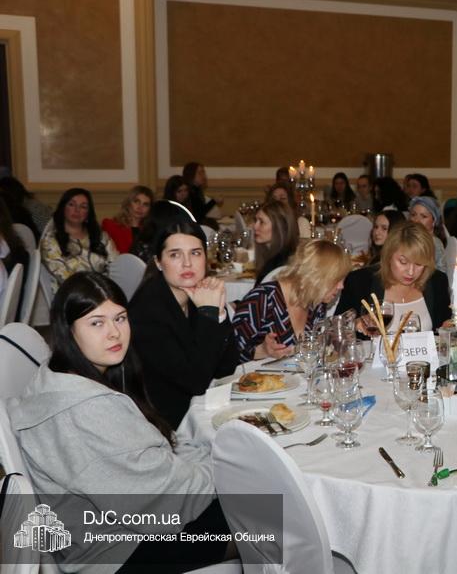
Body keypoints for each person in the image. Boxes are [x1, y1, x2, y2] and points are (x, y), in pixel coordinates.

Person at [9, 272, 233, 572]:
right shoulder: (85, 410)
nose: (114, 333)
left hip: (116, 530)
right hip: (119, 551)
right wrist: (225, 469)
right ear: (68, 330)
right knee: (268, 520)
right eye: (96, 323)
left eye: (120, 318)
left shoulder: (60, 376)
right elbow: (164, 503)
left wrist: (205, 460)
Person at [129, 218, 238, 428]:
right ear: (158, 262)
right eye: (175, 254)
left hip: (197, 410)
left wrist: (219, 313)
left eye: (195, 253)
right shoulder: (146, 314)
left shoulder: (196, 295)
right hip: (165, 425)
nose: (187, 263)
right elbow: (196, 381)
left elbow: (227, 367)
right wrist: (209, 313)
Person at [233, 240, 350, 362]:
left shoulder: (316, 302)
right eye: (337, 280)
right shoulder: (261, 299)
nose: (341, 286)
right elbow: (228, 356)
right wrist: (262, 351)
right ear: (317, 277)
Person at [336, 221, 451, 333]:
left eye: (419, 264)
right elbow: (337, 327)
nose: (411, 272)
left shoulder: (437, 281)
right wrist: (355, 324)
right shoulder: (360, 281)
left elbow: (444, 328)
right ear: (389, 256)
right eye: (403, 262)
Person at [40, 188, 118, 292]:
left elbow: (116, 267)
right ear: (63, 208)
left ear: (88, 212)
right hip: (71, 294)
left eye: (83, 206)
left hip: (105, 292)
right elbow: (61, 275)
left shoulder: (101, 237)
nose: (77, 210)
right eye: (71, 205)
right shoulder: (50, 240)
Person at [252, 200, 299, 286]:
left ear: (279, 226)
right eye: (255, 220)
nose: (255, 226)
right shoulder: (284, 255)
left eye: (261, 222)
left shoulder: (278, 264)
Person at [102, 185, 154, 254]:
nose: (140, 207)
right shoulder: (110, 226)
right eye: (136, 201)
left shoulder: (151, 230)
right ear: (128, 203)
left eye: (145, 204)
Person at [408, 196, 449, 277]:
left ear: (434, 221)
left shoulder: (435, 243)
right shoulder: (406, 238)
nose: (416, 220)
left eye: (423, 216)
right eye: (413, 215)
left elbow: (441, 275)